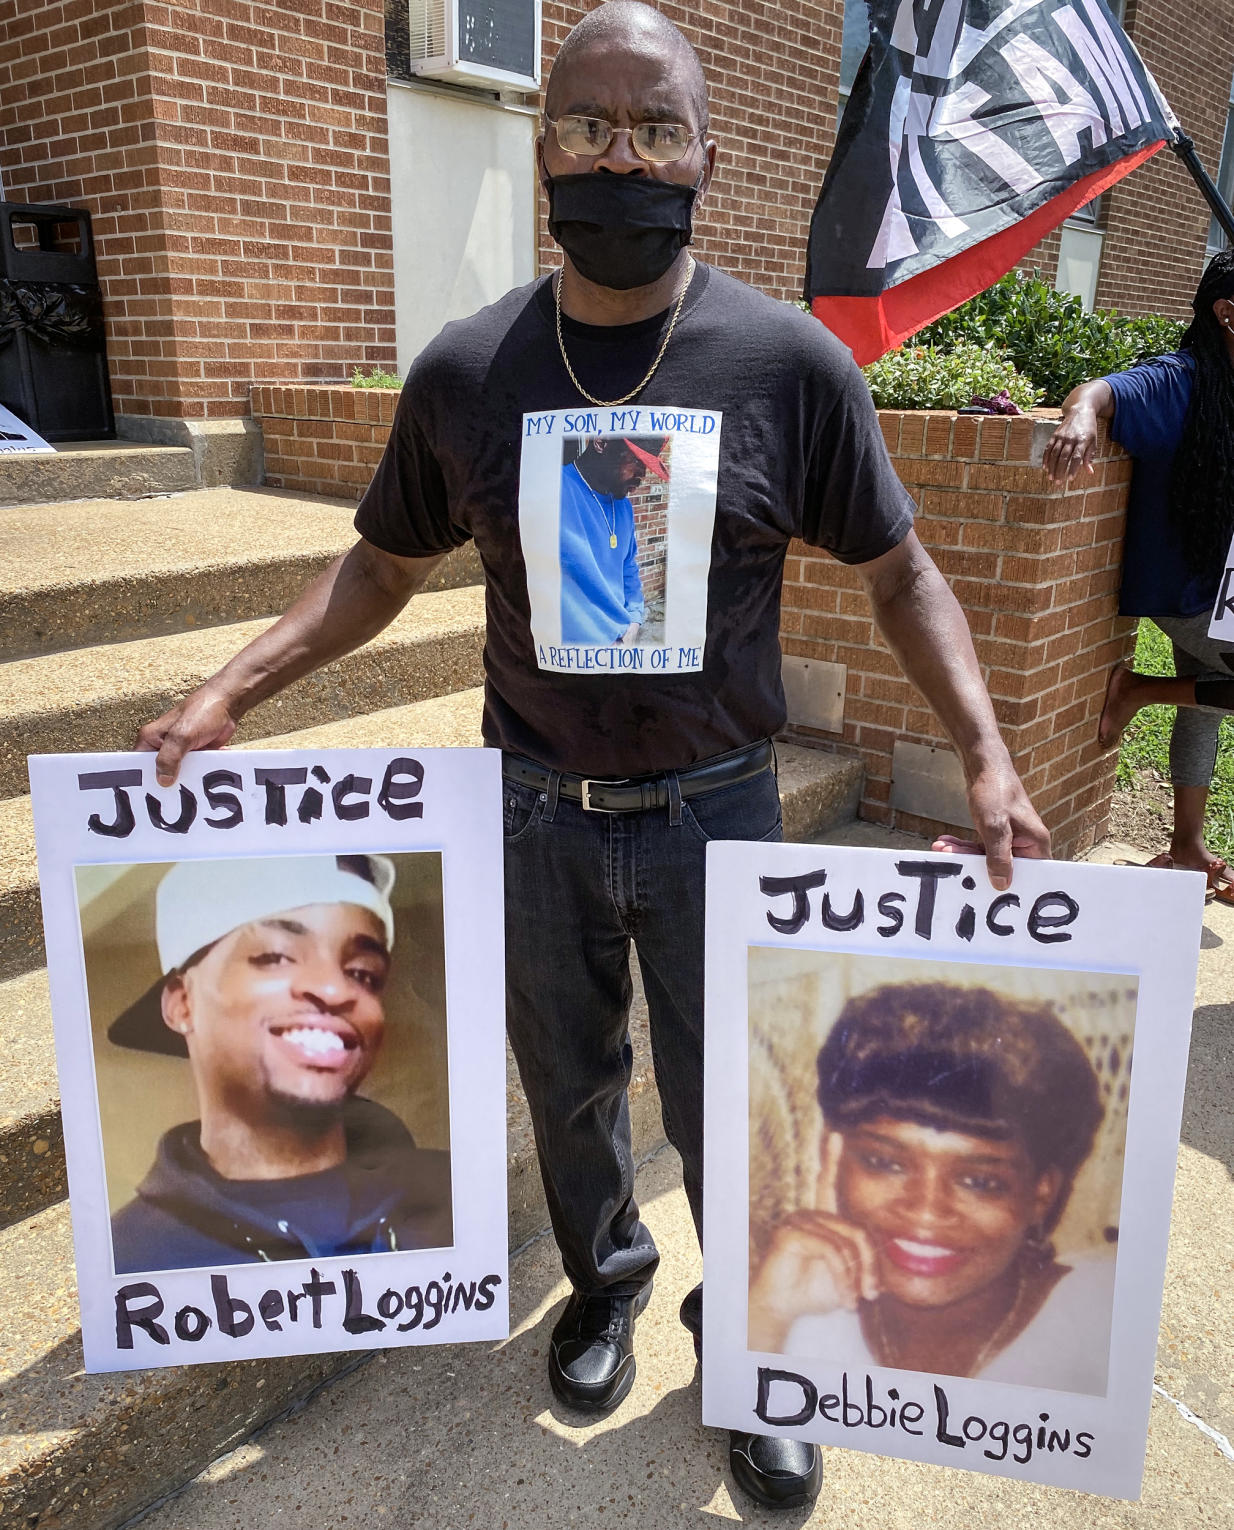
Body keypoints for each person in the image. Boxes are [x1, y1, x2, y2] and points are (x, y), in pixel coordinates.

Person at [134, 3, 1048, 1508]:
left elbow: (902, 573)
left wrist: (987, 753)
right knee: (566, 1083)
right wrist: (237, 680)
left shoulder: (786, 366)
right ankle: (607, 1281)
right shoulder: (466, 369)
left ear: (706, 152)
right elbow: (377, 567)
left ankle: (754, 1352)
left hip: (718, 810)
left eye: (652, 129)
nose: (620, 155)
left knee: (732, 1101)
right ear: (543, 143)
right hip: (534, 805)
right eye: (588, 125)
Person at [747, 983, 1111, 1396]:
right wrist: (769, 1313)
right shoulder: (793, 1296)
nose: (925, 1210)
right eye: (886, 1163)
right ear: (833, 1155)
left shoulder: (1099, 1321)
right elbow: (752, 1399)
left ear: (1041, 1193)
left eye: (979, 1182)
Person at [107, 854, 453, 1273]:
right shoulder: (130, 1256)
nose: (333, 987)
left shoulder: (453, 1195)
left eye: (363, 973)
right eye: (276, 956)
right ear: (182, 1003)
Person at [1044, 250, 1234, 902]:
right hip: (1185, 590)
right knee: (1208, 689)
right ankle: (1137, 693)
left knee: (1204, 708)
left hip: (1223, 591)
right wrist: (1079, 416)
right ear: (1228, 314)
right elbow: (1103, 391)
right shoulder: (1183, 379)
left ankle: (1184, 845)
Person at [560, 435, 667, 646]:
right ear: (601, 442)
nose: (642, 475)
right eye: (637, 461)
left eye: (645, 465)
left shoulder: (624, 508)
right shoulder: (554, 490)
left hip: (620, 642)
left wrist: (634, 622)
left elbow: (629, 568)